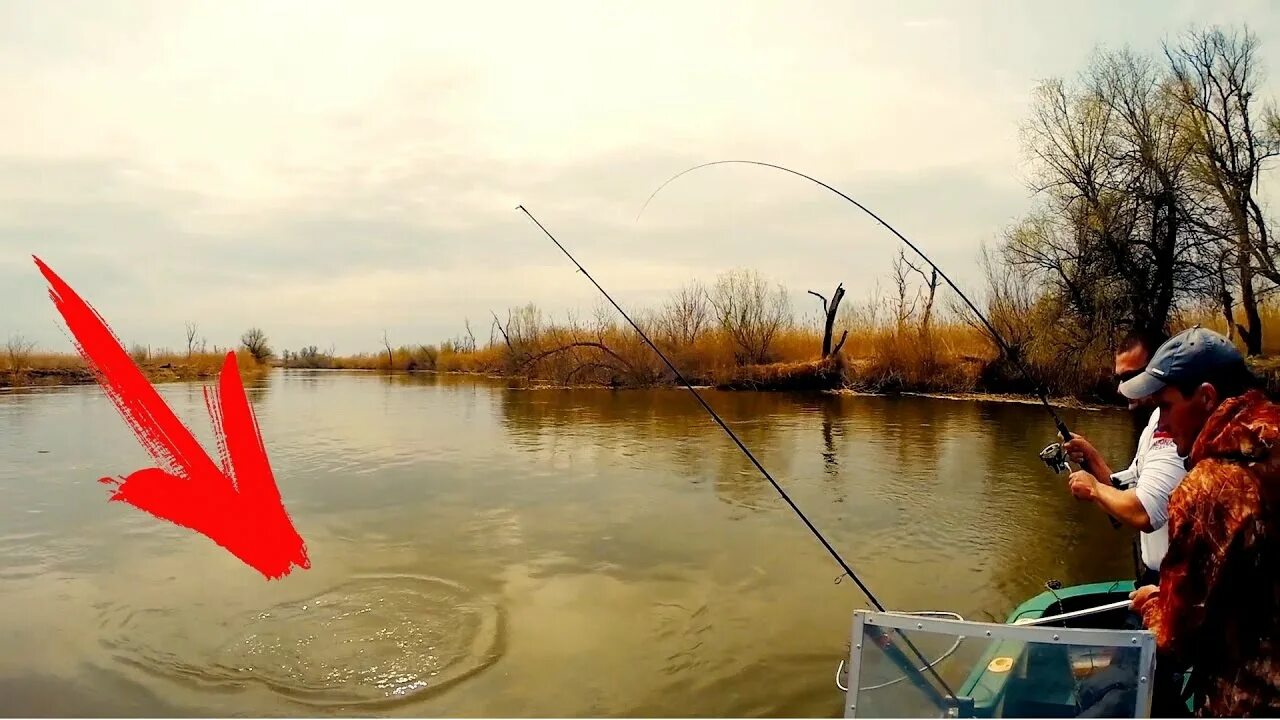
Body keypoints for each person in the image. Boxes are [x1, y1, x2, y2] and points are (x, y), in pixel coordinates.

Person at [1122, 326, 1280, 716]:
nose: (1160, 422)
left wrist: (1150, 605)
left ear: (1207, 397)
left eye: (1167, 406)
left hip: (1250, 701)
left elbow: (1174, 639)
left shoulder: (1208, 489)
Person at [1062, 331, 1185, 586]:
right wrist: (1091, 459)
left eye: (1131, 377)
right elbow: (1126, 499)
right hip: (1153, 579)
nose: (1122, 388)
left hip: (1182, 589)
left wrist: (1094, 489)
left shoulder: (1178, 430)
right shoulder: (1153, 423)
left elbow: (1143, 513)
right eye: (1119, 379)